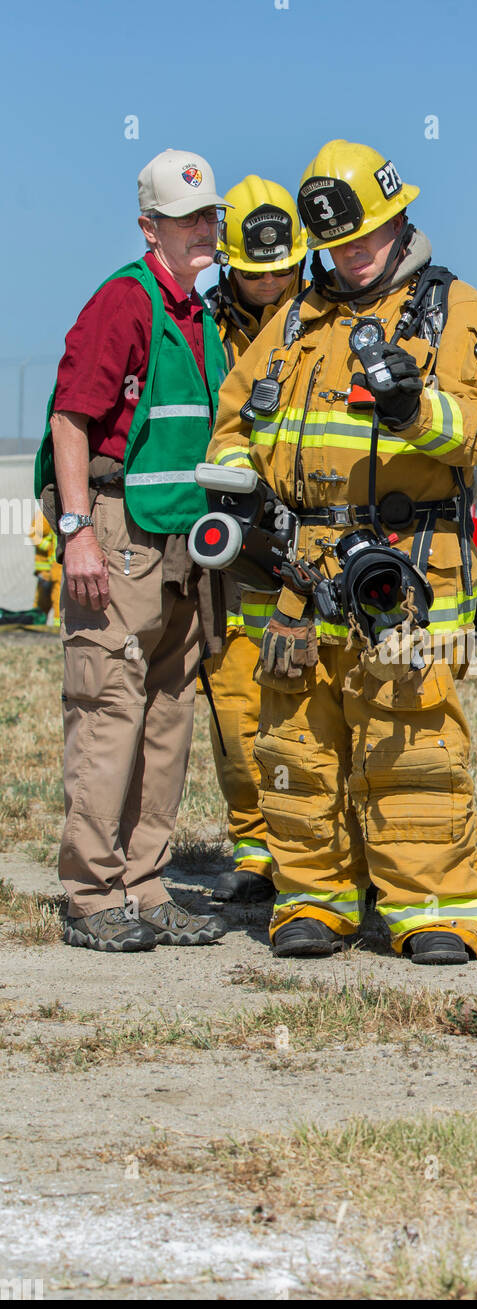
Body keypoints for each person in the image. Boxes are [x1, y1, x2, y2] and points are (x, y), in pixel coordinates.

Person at [207, 139, 477, 966]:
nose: (348, 258)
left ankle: (434, 910)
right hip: (299, 568)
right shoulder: (294, 320)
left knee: (409, 738)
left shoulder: (454, 312)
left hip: (407, 563)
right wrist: (240, 485)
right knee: (295, 739)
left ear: (397, 220)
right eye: (334, 246)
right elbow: (236, 422)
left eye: (361, 241)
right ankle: (315, 898)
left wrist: (417, 411)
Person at [34, 149, 230, 952]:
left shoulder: (202, 315)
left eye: (209, 216)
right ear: (149, 226)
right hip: (116, 535)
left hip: (183, 548)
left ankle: (144, 886)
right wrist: (76, 532)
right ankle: (89, 893)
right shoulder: (124, 302)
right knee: (110, 711)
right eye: (187, 220)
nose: (204, 231)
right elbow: (70, 420)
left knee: (167, 718)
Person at [202, 177, 307, 903]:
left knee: (308, 699)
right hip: (235, 548)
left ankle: (320, 842)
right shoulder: (202, 328)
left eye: (282, 269)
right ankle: (255, 848)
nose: (270, 283)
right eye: (253, 270)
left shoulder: (330, 317)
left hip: (311, 538)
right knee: (237, 698)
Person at [30, 508, 62, 626]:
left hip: (56, 566)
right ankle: (36, 624)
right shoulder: (45, 513)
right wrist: (49, 547)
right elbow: (34, 536)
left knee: (58, 596)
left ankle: (57, 627)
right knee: (43, 601)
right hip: (47, 568)